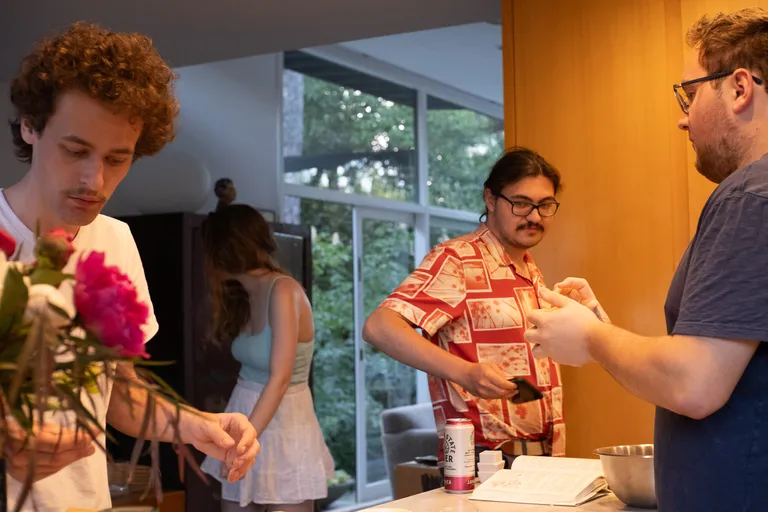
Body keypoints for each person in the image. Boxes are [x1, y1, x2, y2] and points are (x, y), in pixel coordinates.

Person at [1, 22, 259, 512]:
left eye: (117, 159)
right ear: (30, 126)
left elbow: (119, 393)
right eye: (76, 150)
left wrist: (197, 425)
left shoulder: (115, 240)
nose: (93, 180)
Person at [523, 7, 768, 512]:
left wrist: (590, 338)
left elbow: (694, 384)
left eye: (690, 93)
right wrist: (604, 332)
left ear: (740, 88)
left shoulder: (750, 195)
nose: (682, 115)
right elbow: (712, 361)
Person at [364, 148, 566, 472]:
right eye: (521, 203)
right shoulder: (458, 260)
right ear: (490, 198)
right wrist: (465, 373)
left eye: (545, 205)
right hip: (482, 462)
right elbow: (380, 326)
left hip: (536, 460)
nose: (534, 216)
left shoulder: (528, 268)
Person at [199, 179, 334, 512]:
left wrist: (244, 441)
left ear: (223, 252)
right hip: (245, 408)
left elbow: (280, 377)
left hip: (283, 421)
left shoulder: (284, 291)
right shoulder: (246, 296)